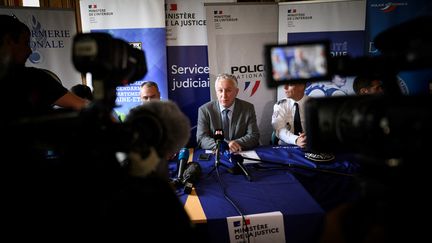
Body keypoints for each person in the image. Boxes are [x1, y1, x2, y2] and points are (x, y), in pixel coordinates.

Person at [1, 14, 87, 117]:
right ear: (8, 41)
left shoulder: (35, 78)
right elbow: (83, 106)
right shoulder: (34, 78)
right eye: (26, 43)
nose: (30, 51)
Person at [197, 73, 260, 153]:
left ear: (236, 92)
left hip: (240, 154)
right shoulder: (205, 110)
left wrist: (236, 144)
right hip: (216, 154)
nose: (224, 95)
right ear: (216, 92)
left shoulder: (247, 108)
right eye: (220, 90)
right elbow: (201, 138)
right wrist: (225, 145)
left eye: (228, 90)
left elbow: (254, 135)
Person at [271, 83, 308, 149]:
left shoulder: (314, 104)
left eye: (290, 84)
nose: (285, 87)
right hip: (286, 145)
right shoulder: (280, 105)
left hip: (309, 144)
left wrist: (309, 137)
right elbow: (279, 129)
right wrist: (296, 140)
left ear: (301, 86)